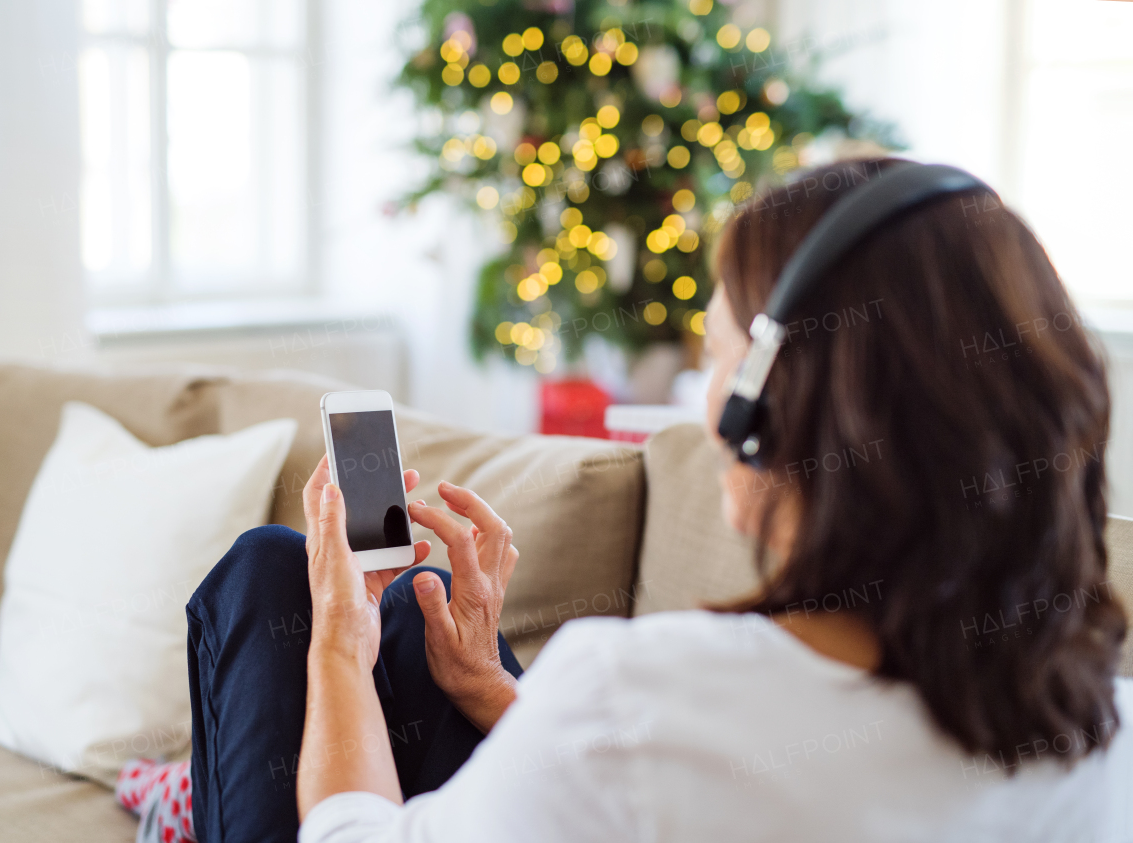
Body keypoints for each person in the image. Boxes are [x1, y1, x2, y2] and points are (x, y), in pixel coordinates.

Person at [123, 158, 1133, 843]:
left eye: (716, 351)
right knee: (417, 636)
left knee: (272, 578)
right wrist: (487, 687)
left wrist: (335, 645)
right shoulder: (1101, 725)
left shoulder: (635, 695)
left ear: (762, 410)